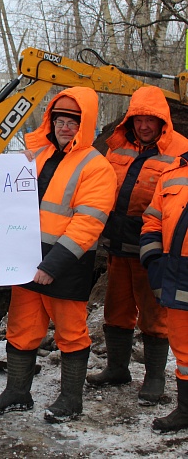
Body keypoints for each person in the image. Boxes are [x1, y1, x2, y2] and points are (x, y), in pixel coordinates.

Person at [0, 87, 116, 423]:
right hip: (26, 261)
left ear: (84, 125)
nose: (65, 126)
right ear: (51, 120)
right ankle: (17, 392)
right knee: (21, 328)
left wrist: (52, 265)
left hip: (65, 265)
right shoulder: (35, 156)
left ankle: (71, 400)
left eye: (74, 121)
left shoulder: (96, 167)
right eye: (60, 119)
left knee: (71, 333)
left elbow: (88, 224)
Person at [86, 86, 188, 405]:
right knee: (116, 311)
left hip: (155, 250)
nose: (144, 125)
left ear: (163, 122)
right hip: (116, 245)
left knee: (155, 316)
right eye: (138, 119)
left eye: (151, 119)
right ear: (130, 120)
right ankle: (117, 369)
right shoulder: (116, 148)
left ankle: (155, 378)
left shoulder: (180, 151)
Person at [140, 151, 188, 432]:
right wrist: (153, 259)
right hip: (177, 272)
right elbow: (152, 220)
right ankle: (185, 410)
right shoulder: (171, 175)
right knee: (183, 348)